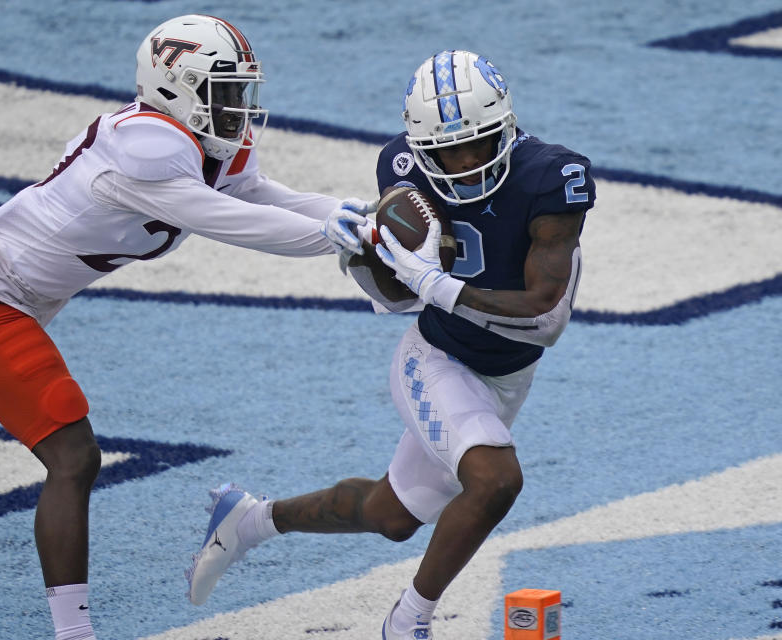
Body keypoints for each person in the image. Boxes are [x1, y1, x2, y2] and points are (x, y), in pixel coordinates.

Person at [0, 14, 372, 640]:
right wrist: (330, 237)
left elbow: (257, 193)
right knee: (73, 457)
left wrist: (349, 212)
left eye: (243, 90)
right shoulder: (147, 149)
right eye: (225, 91)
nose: (240, 107)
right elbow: (228, 221)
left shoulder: (192, 143)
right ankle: (74, 633)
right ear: (176, 89)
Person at [185, 50, 596, 639]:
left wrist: (440, 285)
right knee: (496, 479)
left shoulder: (551, 178)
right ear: (420, 146)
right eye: (445, 151)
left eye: (478, 143)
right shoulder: (401, 168)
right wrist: (368, 262)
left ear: (505, 126)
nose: (463, 162)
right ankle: (408, 623)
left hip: (509, 372)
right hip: (436, 359)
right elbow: (401, 296)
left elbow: (545, 318)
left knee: (391, 514)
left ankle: (249, 520)